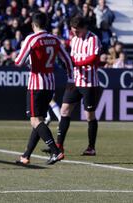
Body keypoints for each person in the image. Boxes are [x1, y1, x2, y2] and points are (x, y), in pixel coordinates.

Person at [14, 12, 73, 165]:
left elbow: (19, 62)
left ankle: (56, 151)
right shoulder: (55, 39)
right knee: (38, 120)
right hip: (50, 84)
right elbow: (67, 60)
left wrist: (22, 56)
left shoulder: (32, 39)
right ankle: (26, 156)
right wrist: (71, 79)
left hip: (36, 84)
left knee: (35, 121)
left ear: (33, 25)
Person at [44, 15, 101, 156]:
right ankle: (59, 145)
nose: (74, 33)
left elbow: (94, 59)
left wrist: (77, 64)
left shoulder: (93, 39)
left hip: (89, 83)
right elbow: (71, 60)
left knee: (89, 116)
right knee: (64, 111)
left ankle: (91, 147)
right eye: (73, 30)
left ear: (84, 28)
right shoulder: (73, 40)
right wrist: (70, 77)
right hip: (75, 81)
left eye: (77, 31)